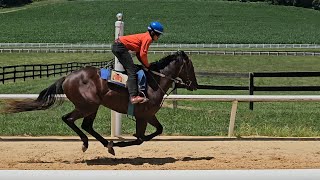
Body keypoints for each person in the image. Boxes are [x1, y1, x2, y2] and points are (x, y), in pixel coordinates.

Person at [112, 21, 164, 104]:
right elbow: (143, 54)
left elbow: (138, 54)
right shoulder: (148, 38)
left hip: (118, 46)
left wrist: (145, 65)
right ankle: (133, 97)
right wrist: (147, 65)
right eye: (158, 35)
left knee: (132, 68)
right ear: (154, 33)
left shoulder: (145, 36)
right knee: (131, 70)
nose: (158, 37)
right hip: (120, 47)